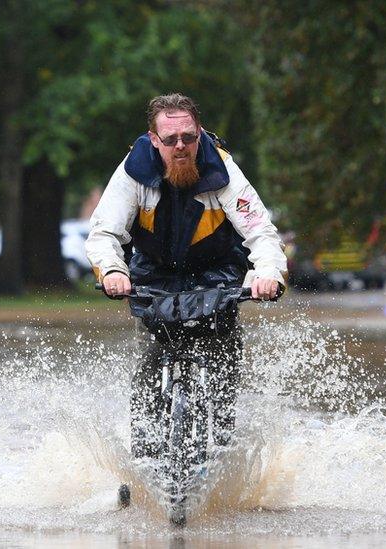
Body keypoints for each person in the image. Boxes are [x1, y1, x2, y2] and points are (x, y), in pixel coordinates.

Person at [85, 93, 287, 459]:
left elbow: (261, 232)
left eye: (189, 138)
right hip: (154, 273)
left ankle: (222, 447)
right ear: (152, 139)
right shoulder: (133, 172)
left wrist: (268, 274)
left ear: (200, 133)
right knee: (152, 364)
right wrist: (114, 270)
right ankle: (144, 458)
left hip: (217, 271)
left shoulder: (223, 171)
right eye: (170, 139)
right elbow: (104, 233)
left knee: (223, 355)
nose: (181, 146)